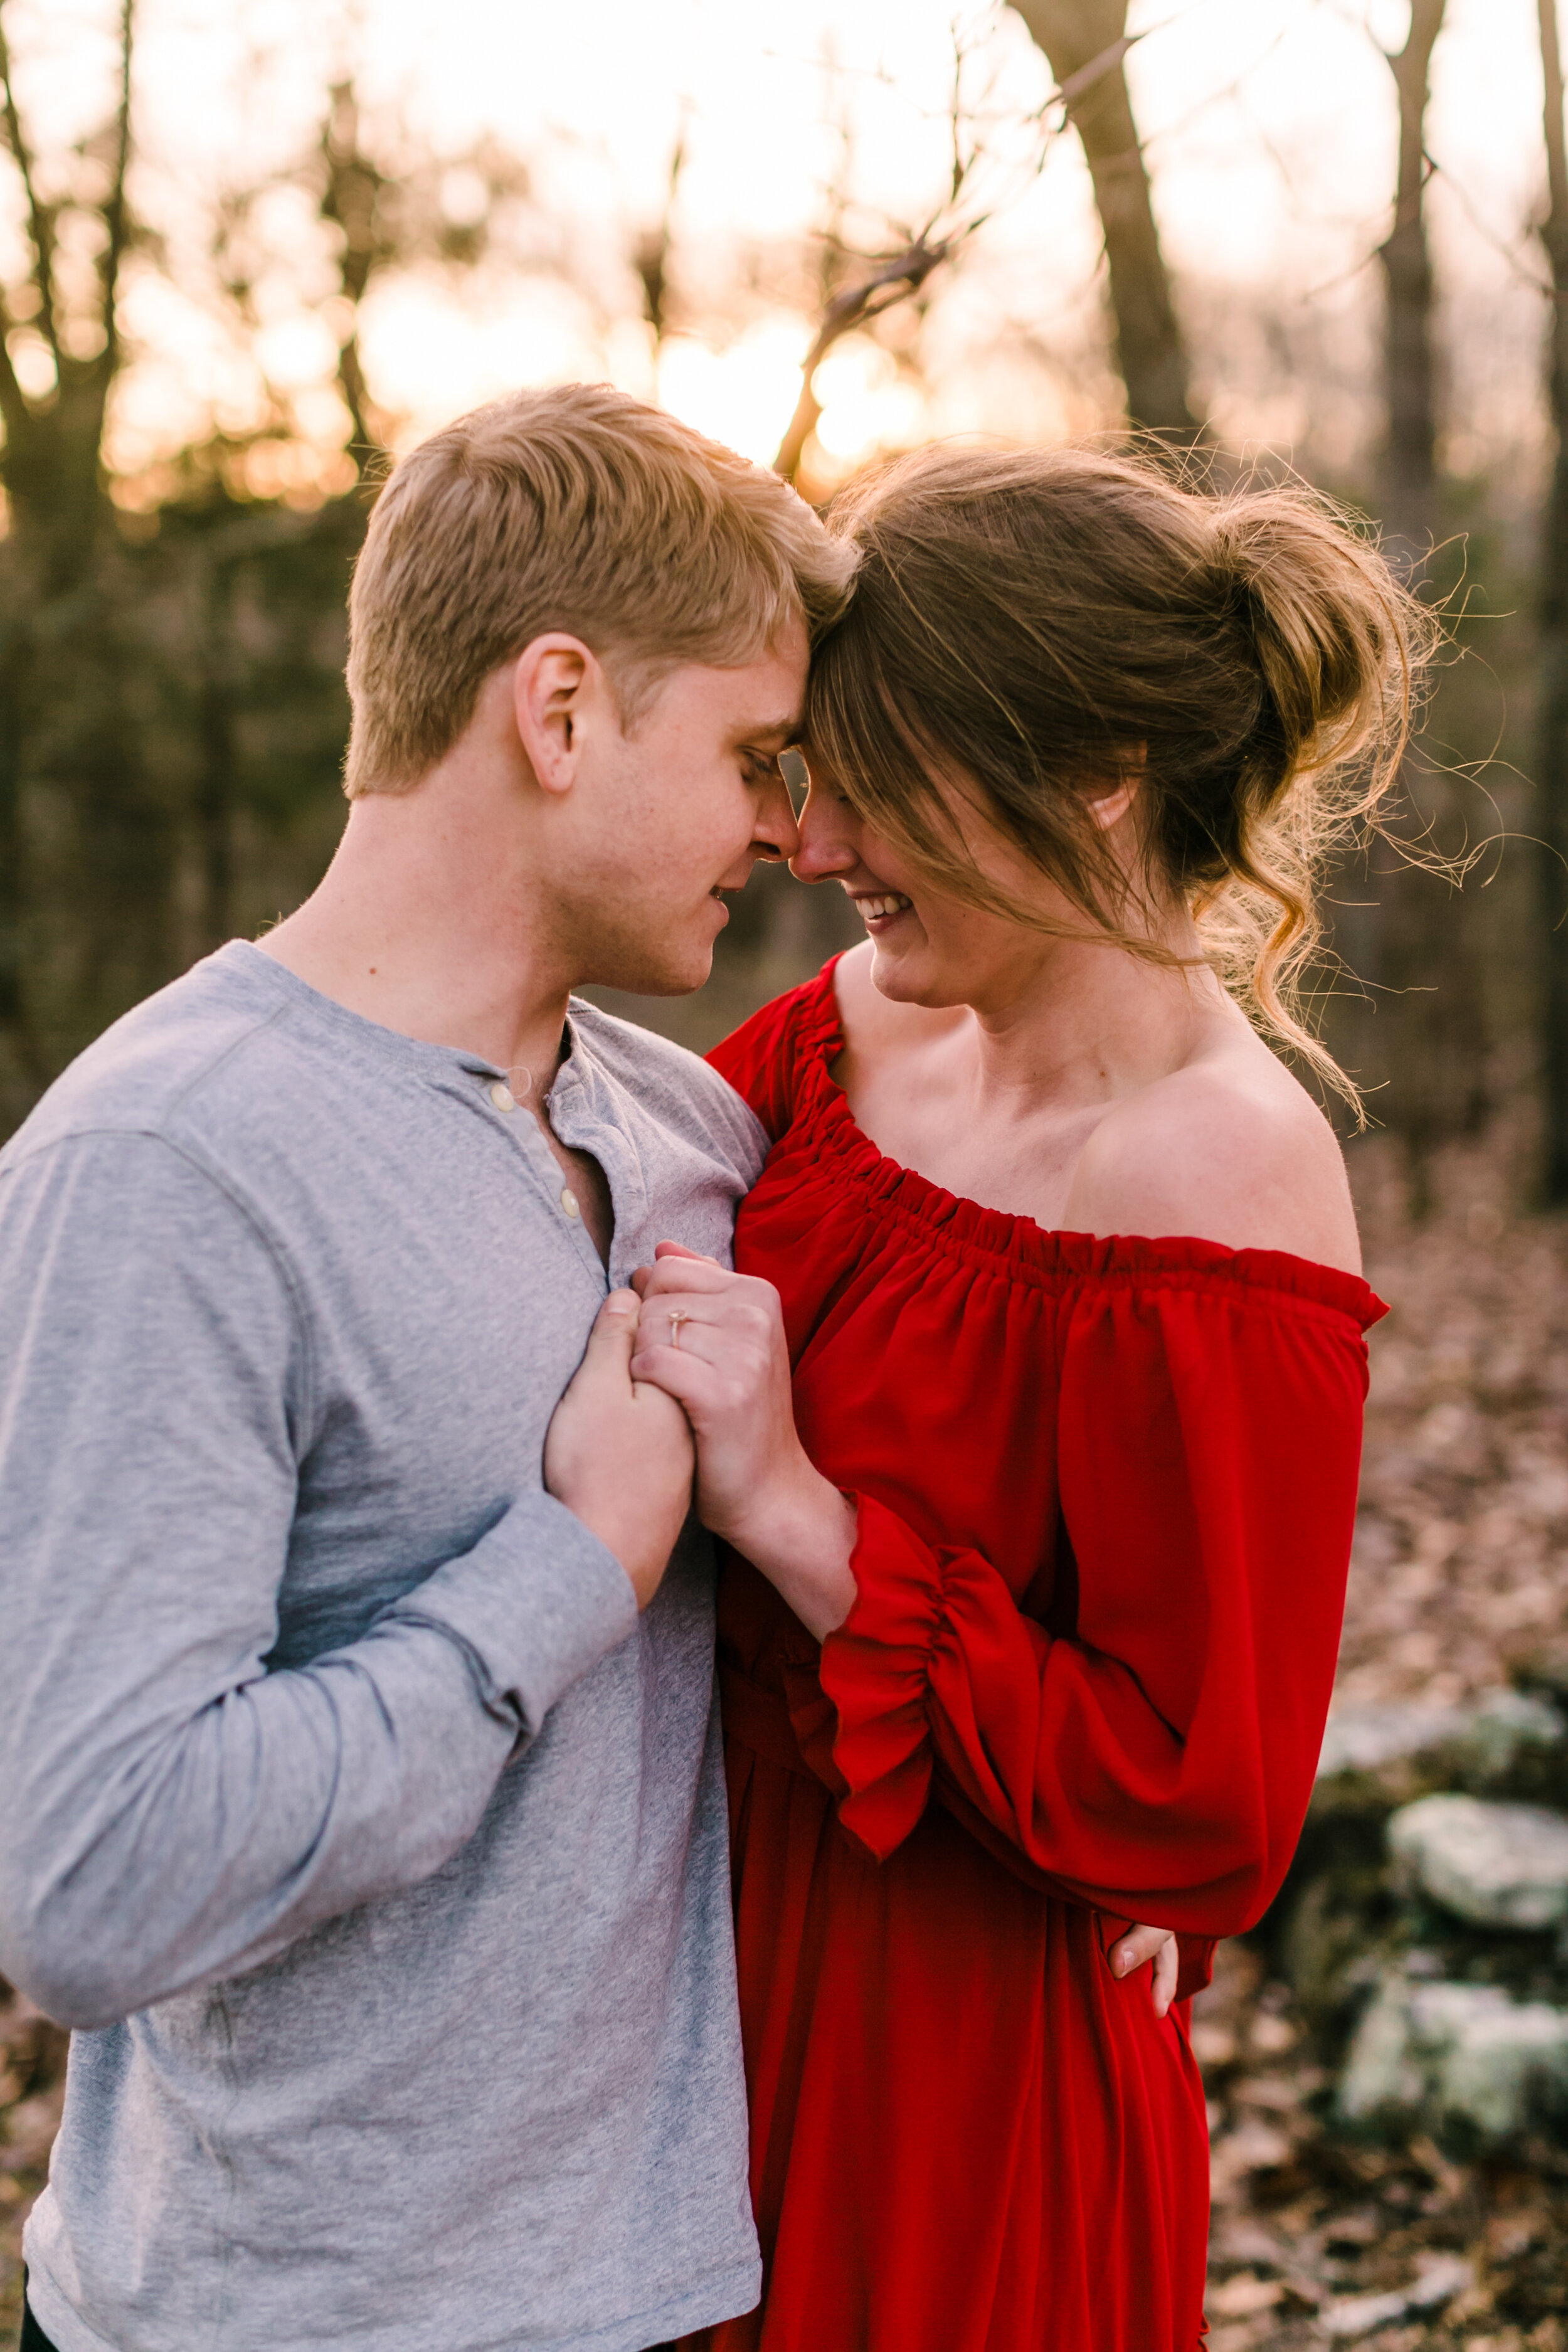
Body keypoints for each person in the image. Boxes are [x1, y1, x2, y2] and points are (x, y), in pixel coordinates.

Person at [0, 384, 859, 2352]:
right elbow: (91, 1887)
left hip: (657, 2288)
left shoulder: (689, 1134)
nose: (790, 832)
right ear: (556, 711)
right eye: (751, 754)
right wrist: (566, 1575)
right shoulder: (170, 1168)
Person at [577, 446, 1430, 2350]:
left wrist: (795, 1512)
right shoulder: (848, 1031)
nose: (814, 844)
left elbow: (1199, 1804)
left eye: (876, 779)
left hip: (938, 2076)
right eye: (811, 772)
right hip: (673, 1977)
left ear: (1094, 776)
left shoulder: (1215, 1179)